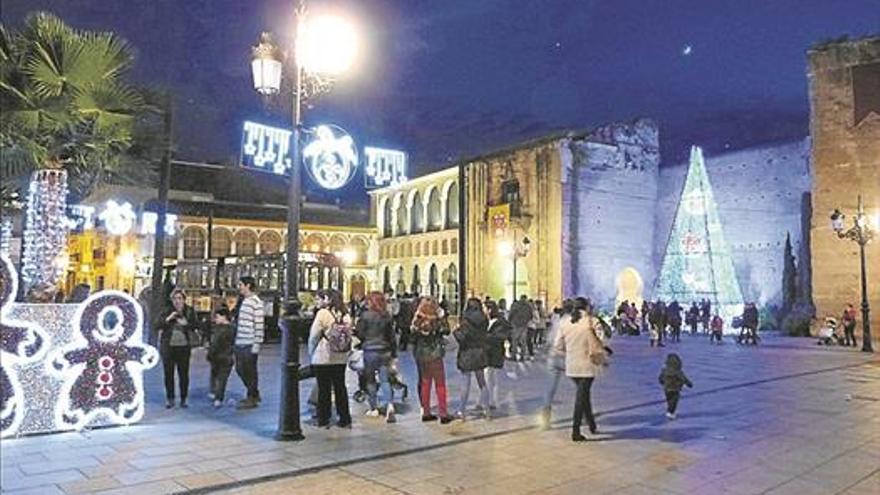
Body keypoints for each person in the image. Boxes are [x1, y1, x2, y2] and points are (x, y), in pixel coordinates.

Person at [554, 297, 605, 442]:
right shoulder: (592, 321)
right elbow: (602, 340)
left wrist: (570, 352)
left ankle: (592, 424)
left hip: (572, 365)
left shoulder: (565, 323)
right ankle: (575, 430)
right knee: (581, 396)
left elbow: (558, 345)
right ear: (587, 307)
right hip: (589, 364)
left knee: (584, 394)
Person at [308, 290, 353, 428]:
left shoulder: (323, 313)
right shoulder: (346, 315)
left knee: (324, 389)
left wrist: (311, 353)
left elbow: (314, 335)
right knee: (340, 387)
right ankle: (344, 418)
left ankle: (323, 418)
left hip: (324, 357)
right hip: (340, 357)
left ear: (328, 299)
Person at [356, 291, 398, 423]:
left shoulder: (365, 316)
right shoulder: (386, 316)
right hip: (384, 351)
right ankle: (390, 405)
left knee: (370, 380)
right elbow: (391, 337)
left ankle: (373, 408)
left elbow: (360, 333)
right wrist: (394, 354)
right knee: (385, 380)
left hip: (369, 350)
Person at [411, 297, 452, 424]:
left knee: (425, 383)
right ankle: (443, 413)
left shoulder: (417, 320)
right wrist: (442, 316)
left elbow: (412, 333)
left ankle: (426, 412)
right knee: (440, 384)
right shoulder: (437, 319)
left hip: (422, 354)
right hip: (435, 354)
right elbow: (446, 330)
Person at [157, 289, 199, 409]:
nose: (177, 301)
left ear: (184, 299)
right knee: (168, 374)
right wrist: (168, 319)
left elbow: (196, 325)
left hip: (184, 347)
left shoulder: (190, 311)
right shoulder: (166, 311)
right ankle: (170, 399)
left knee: (183, 374)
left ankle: (183, 399)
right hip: (168, 347)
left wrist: (186, 324)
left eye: (180, 298)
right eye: (175, 299)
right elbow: (157, 324)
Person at [454, 298, 490, 420]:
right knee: (482, 382)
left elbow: (462, 338)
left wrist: (456, 331)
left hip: (467, 353)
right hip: (480, 352)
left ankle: (461, 411)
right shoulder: (484, 319)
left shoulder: (466, 320)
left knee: (465, 383)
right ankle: (487, 409)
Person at [234, 276, 264, 409]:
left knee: (250, 371)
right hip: (240, 341)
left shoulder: (256, 302)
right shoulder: (243, 301)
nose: (239, 287)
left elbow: (259, 324)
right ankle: (254, 392)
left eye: (241, 284)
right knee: (240, 369)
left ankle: (251, 396)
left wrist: (257, 344)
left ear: (248, 285)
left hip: (249, 342)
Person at [540, 301, 568, 429]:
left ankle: (546, 416)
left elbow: (550, 339)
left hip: (553, 356)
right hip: (568, 357)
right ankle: (584, 411)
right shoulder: (572, 322)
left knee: (549, 388)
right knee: (581, 385)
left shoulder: (557, 321)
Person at [485, 300, 512, 410]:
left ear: (490, 310)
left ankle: (493, 401)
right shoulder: (485, 321)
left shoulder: (501, 322)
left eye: (485, 308)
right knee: (486, 377)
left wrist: (486, 337)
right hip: (486, 352)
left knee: (495, 378)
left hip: (496, 352)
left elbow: (501, 336)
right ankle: (486, 399)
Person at [207, 307, 235, 408]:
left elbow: (215, 343)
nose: (216, 319)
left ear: (224, 317)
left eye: (217, 317)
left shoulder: (220, 330)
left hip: (218, 357)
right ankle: (218, 397)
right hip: (227, 357)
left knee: (217, 377)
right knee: (222, 379)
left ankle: (216, 395)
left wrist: (210, 354)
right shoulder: (232, 329)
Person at [659, 353, 693, 419]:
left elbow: (660, 378)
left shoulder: (664, 370)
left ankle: (670, 410)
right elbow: (683, 378)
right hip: (675, 388)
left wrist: (662, 382)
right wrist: (689, 384)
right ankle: (671, 412)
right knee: (674, 401)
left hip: (667, 388)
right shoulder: (678, 371)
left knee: (669, 400)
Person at [508, 295, 532, 361]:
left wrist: (510, 321)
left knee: (514, 341)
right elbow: (531, 316)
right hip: (524, 325)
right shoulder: (528, 306)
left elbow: (511, 314)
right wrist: (526, 321)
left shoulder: (515, 305)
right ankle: (522, 356)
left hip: (515, 324)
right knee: (523, 342)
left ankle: (514, 356)